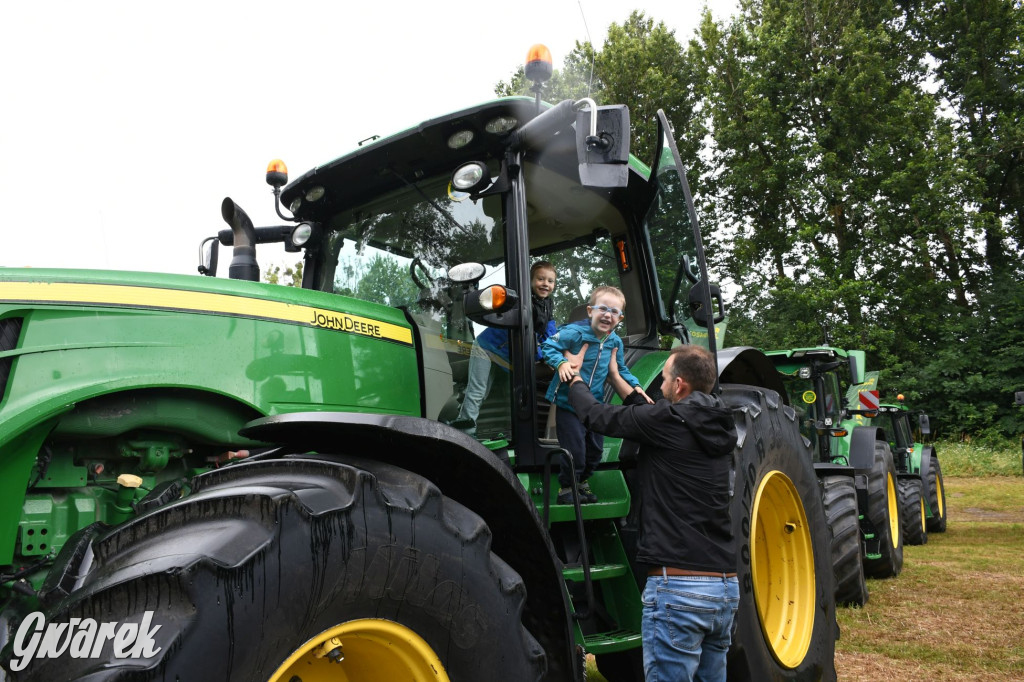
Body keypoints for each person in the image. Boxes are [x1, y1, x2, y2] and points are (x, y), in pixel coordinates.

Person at [566, 344, 739, 682]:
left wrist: (575, 378)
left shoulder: (667, 420)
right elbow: (652, 413)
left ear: (680, 386)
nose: (659, 386)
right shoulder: (717, 423)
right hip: (723, 589)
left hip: (679, 589)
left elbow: (596, 416)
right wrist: (617, 377)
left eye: (663, 379)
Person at [541, 285, 651, 504]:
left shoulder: (614, 342)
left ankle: (581, 483)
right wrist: (561, 362)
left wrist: (636, 386)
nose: (607, 315)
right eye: (603, 309)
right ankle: (566, 489)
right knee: (575, 450)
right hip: (569, 404)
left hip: (594, 405)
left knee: (595, 451)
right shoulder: (574, 333)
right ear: (590, 311)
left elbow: (620, 370)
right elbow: (547, 346)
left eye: (614, 312)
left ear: (620, 318)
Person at [454, 261, 558, 436]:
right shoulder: (523, 301)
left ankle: (505, 429)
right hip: (486, 347)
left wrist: (552, 353)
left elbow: (549, 331)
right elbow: (526, 332)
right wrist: (541, 355)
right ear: (530, 281)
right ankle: (466, 429)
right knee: (479, 389)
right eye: (540, 279)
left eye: (550, 281)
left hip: (505, 355)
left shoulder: (547, 305)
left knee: (506, 389)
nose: (545, 284)